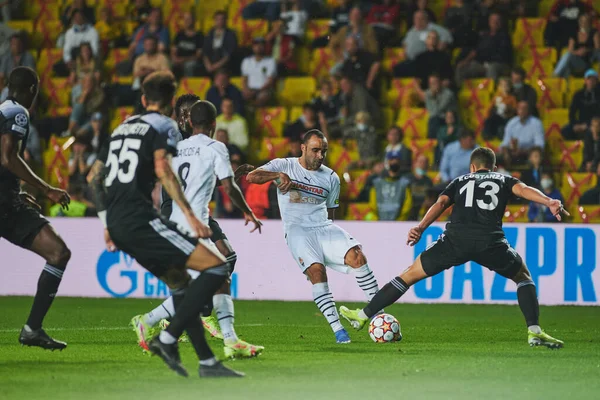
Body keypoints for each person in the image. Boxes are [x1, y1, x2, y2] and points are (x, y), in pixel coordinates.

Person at [86, 71, 243, 378]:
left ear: (144, 99)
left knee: (182, 285)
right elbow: (164, 171)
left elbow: (93, 178)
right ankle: (167, 337)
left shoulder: (122, 128)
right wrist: (192, 215)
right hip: (142, 218)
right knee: (218, 268)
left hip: (117, 220)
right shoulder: (164, 126)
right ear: (170, 102)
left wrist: (106, 222)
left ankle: (207, 363)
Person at [340, 147, 568, 349]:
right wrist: (549, 202)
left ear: (472, 166)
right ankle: (534, 332)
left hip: (455, 241)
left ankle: (362, 315)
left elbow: (440, 203)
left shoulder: (461, 180)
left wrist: (420, 227)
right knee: (523, 277)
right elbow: (524, 189)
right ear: (493, 167)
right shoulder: (503, 179)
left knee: (409, 275)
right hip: (490, 241)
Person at [130, 96, 264, 359]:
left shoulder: (177, 147)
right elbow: (229, 186)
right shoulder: (216, 147)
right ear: (214, 123)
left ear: (190, 121)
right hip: (194, 224)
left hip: (175, 220)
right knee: (214, 276)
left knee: (212, 279)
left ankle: (229, 339)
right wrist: (247, 210)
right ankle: (149, 320)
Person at [246, 130, 382, 344]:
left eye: (324, 152)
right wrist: (276, 176)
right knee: (317, 272)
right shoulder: (285, 165)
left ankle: (378, 314)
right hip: (297, 230)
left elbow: (331, 211)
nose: (320, 156)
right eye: (315, 150)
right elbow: (251, 176)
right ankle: (338, 329)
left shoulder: (331, 177)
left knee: (357, 256)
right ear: (303, 148)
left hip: (323, 226)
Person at [0, 67, 72, 350]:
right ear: (33, 90)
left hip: (7, 200)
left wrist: (17, 192)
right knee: (58, 253)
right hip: (4, 205)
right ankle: (32, 329)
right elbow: (7, 157)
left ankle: (33, 329)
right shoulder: (17, 112)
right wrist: (46, 189)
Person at [455, 13, 513, 85]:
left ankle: (490, 93)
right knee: (462, 68)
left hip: (500, 65)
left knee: (492, 68)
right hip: (483, 64)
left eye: (497, 20)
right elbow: (475, 51)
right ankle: (461, 91)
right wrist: (466, 60)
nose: (495, 22)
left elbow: (502, 56)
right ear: (489, 22)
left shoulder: (504, 37)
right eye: (492, 20)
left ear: (501, 23)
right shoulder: (484, 35)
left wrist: (485, 61)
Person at [368, 152, 413, 221]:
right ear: (387, 162)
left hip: (398, 222)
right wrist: (377, 219)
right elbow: (373, 204)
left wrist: (400, 220)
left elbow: (407, 204)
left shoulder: (405, 183)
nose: (394, 162)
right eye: (392, 160)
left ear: (400, 162)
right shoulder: (377, 183)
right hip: (378, 221)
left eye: (396, 160)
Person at [553, 14, 599, 78]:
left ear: (589, 22)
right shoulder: (574, 33)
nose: (584, 23)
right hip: (576, 59)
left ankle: (557, 76)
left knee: (568, 61)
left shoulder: (594, 32)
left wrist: (586, 50)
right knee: (567, 56)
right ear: (579, 22)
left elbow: (597, 48)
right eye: (582, 21)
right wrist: (578, 52)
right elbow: (570, 50)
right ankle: (556, 76)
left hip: (589, 59)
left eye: (586, 21)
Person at [501, 101, 545, 167]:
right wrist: (506, 153)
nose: (522, 111)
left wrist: (522, 151)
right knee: (495, 157)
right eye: (520, 108)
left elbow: (539, 145)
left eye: (524, 109)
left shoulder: (536, 123)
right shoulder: (512, 123)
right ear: (517, 110)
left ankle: (532, 176)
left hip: (529, 153)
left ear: (528, 110)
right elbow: (504, 143)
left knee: (536, 156)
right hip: (513, 154)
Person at [562, 69, 600, 140]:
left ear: (596, 81)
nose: (591, 81)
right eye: (589, 79)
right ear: (585, 80)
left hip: (595, 124)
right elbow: (572, 112)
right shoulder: (578, 94)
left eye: (593, 79)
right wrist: (575, 124)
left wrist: (587, 125)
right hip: (579, 122)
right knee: (565, 130)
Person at [416, 74, 456, 139]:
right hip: (435, 120)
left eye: (435, 82)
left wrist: (433, 95)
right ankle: (432, 142)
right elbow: (431, 111)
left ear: (440, 82)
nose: (434, 85)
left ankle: (433, 141)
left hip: (449, 120)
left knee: (434, 120)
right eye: (432, 83)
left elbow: (437, 110)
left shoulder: (448, 94)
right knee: (433, 120)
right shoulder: (428, 93)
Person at [241, 37, 277, 107]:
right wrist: (246, 90)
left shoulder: (270, 61)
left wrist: (256, 92)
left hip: (264, 90)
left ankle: (252, 110)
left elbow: (270, 81)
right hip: (250, 89)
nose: (259, 47)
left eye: (261, 45)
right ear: (253, 47)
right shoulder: (246, 61)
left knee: (262, 97)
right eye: (256, 45)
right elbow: (244, 79)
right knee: (239, 97)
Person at [202, 11, 238, 76]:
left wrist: (215, 66)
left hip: (223, 63)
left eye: (222, 19)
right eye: (217, 19)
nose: (220, 21)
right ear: (214, 21)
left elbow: (228, 55)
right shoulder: (209, 34)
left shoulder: (231, 35)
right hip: (210, 62)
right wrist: (208, 65)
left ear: (226, 21)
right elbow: (205, 52)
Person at [171, 12, 203, 78]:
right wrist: (174, 58)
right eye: (185, 19)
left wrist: (183, 60)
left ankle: (187, 86)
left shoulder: (199, 36)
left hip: (192, 61)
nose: (186, 21)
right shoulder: (179, 35)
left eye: (189, 19)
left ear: (194, 21)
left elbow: (198, 55)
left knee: (189, 65)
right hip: (179, 60)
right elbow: (173, 50)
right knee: (169, 63)